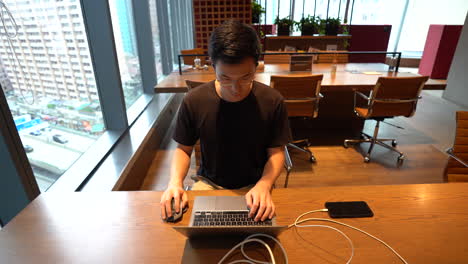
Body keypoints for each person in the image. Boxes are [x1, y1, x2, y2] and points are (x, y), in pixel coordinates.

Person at [160, 20, 291, 223]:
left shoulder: (272, 101)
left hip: (255, 185)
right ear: (213, 65)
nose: (235, 88)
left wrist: (265, 184)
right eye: (225, 78)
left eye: (246, 77)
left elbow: (276, 152)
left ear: (257, 65)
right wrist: (175, 182)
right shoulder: (195, 100)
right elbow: (183, 149)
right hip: (209, 183)